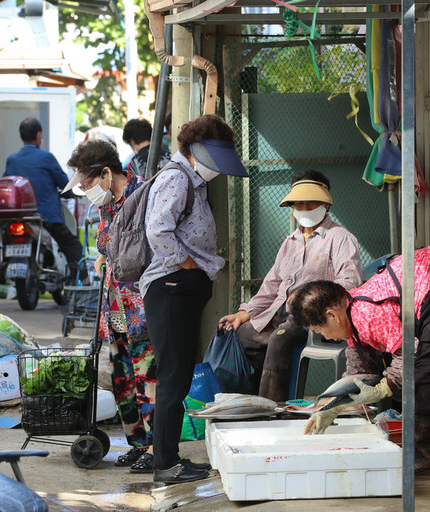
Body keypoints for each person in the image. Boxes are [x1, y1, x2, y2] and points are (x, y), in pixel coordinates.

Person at [288, 246, 430, 474]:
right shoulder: (352, 316)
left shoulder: (366, 315)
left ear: (333, 315)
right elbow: (359, 375)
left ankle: (425, 460)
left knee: (426, 376)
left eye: (319, 330)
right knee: (419, 375)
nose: (325, 336)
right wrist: (332, 406)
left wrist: (385, 386)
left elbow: (408, 354)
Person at [141, 114, 249, 484]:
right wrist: (186, 264)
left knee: (180, 374)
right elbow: (158, 229)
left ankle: (171, 459)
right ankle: (165, 465)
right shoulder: (176, 177)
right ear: (196, 151)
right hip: (171, 287)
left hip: (182, 288)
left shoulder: (194, 181)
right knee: (172, 377)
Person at [218, 171, 362, 402]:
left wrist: (312, 298)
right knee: (243, 336)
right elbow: (271, 285)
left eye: (310, 201)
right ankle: (244, 405)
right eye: (299, 202)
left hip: (310, 315)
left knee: (279, 339)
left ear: (325, 202)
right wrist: (243, 314)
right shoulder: (289, 241)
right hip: (277, 311)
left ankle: (271, 407)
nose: (304, 207)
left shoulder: (340, 237)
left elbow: (350, 282)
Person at [63, 139, 157, 474]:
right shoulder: (106, 206)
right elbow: (106, 247)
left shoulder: (142, 196)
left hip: (141, 304)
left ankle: (156, 447)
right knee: (122, 376)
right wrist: (102, 258)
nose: (86, 191)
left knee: (148, 376)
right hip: (114, 302)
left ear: (106, 173)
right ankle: (137, 444)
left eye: (88, 184)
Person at [4, 118, 83, 277]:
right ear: (39, 135)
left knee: (3, 245)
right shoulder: (46, 157)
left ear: (21, 136)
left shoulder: (11, 160)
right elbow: (63, 183)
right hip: (46, 216)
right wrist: (72, 193)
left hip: (17, 217)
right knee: (71, 245)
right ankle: (82, 279)